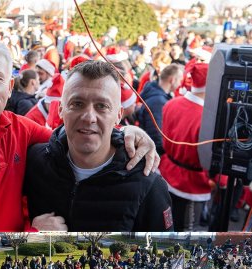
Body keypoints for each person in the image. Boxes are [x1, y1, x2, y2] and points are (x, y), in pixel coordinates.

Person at [0, 37, 158, 232]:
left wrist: (125, 132)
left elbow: (76, 134)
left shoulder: (19, 128)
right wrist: (33, 236)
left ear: (10, 87)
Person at [24, 60, 173, 232]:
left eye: (102, 106)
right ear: (61, 109)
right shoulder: (34, 163)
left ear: (118, 115)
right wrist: (32, 232)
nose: (89, 117)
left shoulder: (148, 185)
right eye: (77, 104)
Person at [157, 63, 211, 231]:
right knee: (186, 230)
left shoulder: (171, 103)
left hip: (166, 171)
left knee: (164, 221)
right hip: (191, 184)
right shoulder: (207, 118)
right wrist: (220, 181)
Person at [135, 63, 183, 154]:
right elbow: (156, 137)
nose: (180, 84)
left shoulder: (155, 93)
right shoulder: (158, 102)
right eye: (179, 80)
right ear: (172, 80)